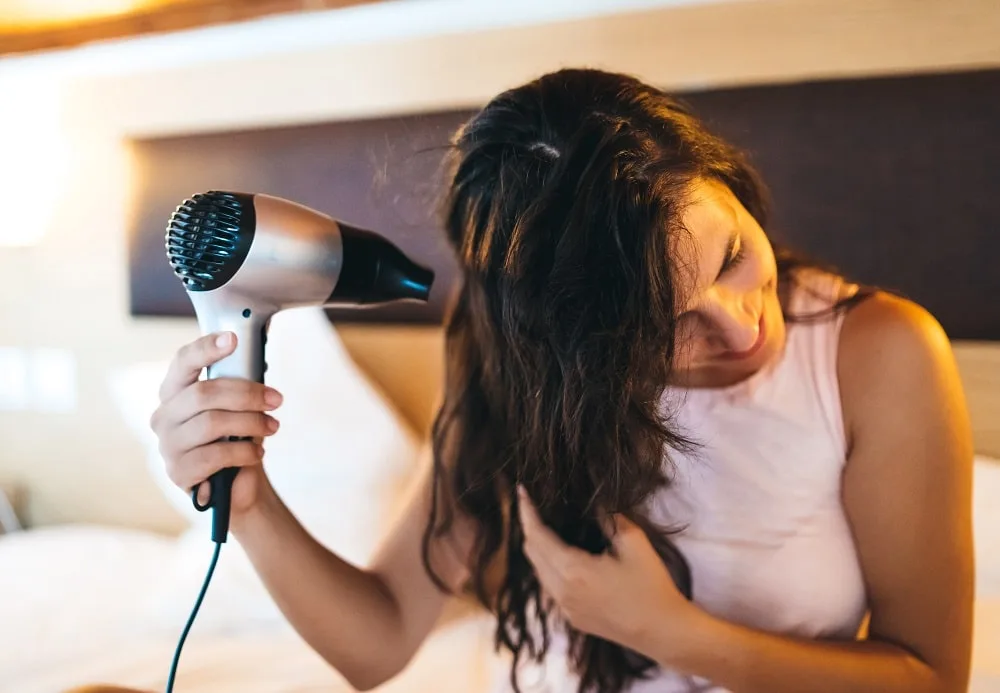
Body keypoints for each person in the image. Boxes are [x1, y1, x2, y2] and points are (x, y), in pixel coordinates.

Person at [110, 68, 976, 693]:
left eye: (734, 255)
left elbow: (930, 675)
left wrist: (668, 633)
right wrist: (250, 499)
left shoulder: (879, 353)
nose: (739, 323)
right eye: (661, 327)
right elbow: (375, 646)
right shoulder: (511, 367)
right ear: (566, 351)